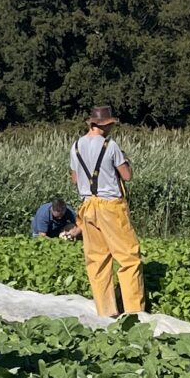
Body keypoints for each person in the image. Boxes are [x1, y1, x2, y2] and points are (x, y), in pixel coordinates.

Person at [69, 103, 145, 316]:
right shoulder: (110, 146)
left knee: (97, 260)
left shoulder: (75, 146)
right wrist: (126, 161)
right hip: (110, 206)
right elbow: (127, 176)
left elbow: (75, 179)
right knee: (129, 258)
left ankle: (106, 311)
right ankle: (134, 312)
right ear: (106, 124)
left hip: (87, 206)